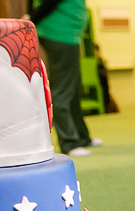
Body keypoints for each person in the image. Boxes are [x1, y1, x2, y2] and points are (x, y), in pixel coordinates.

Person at [31, 0, 100, 157]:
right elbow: (48, 4)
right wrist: (31, 20)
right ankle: (69, 143)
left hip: (69, 35)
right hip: (59, 34)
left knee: (73, 88)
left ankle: (82, 137)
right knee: (62, 90)